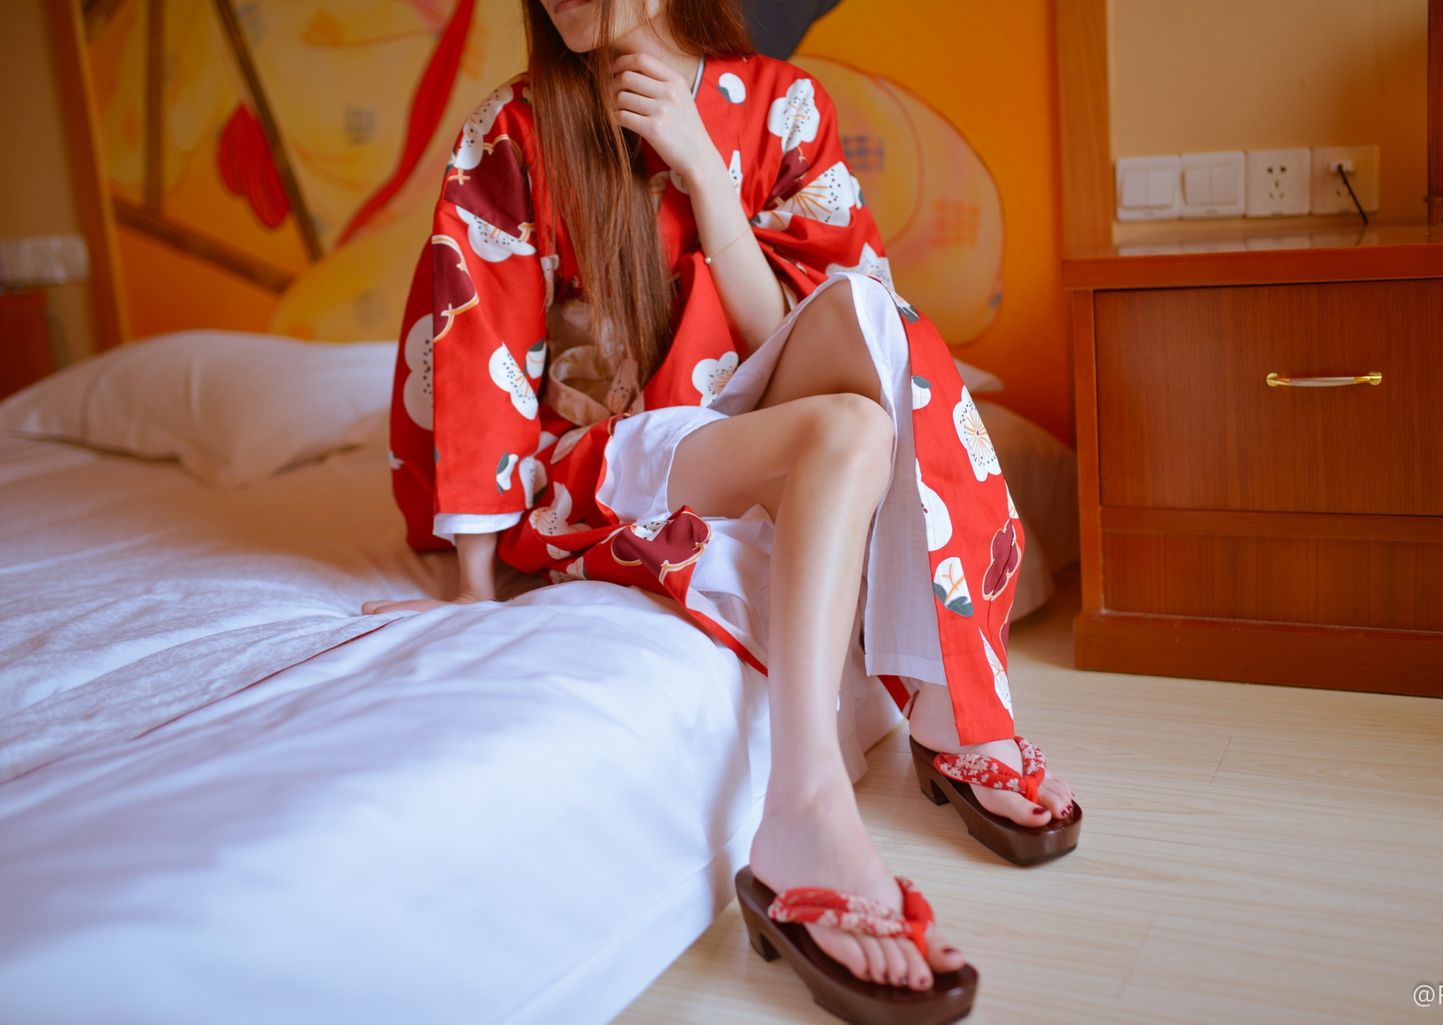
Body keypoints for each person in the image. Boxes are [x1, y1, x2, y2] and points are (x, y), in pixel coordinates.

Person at [362, 0, 1077, 1018]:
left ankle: (928, 715)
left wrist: (701, 166)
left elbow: (789, 327)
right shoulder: (515, 128)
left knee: (870, 325)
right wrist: (471, 588)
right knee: (848, 431)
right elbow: (478, 344)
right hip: (617, 447)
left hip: (753, 392)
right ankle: (831, 786)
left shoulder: (787, 105)